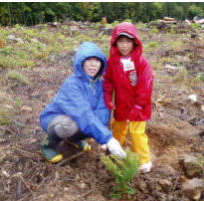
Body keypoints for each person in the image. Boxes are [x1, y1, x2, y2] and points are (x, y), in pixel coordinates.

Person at [39, 42, 126, 163]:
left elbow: (102, 114)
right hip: (55, 118)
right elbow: (82, 113)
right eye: (89, 59)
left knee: (96, 122)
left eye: (97, 60)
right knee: (71, 125)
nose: (93, 64)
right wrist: (108, 138)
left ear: (101, 64)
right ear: (81, 62)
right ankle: (47, 145)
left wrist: (104, 140)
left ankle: (72, 139)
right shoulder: (72, 84)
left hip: (80, 118)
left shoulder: (101, 86)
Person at [103, 22, 154, 173]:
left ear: (134, 42)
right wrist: (107, 97)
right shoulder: (112, 62)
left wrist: (138, 105)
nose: (124, 45)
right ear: (115, 42)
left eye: (128, 41)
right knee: (118, 129)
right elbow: (108, 81)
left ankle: (144, 160)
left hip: (140, 105)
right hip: (122, 104)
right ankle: (117, 152)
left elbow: (146, 85)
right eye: (121, 41)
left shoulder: (141, 62)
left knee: (137, 132)